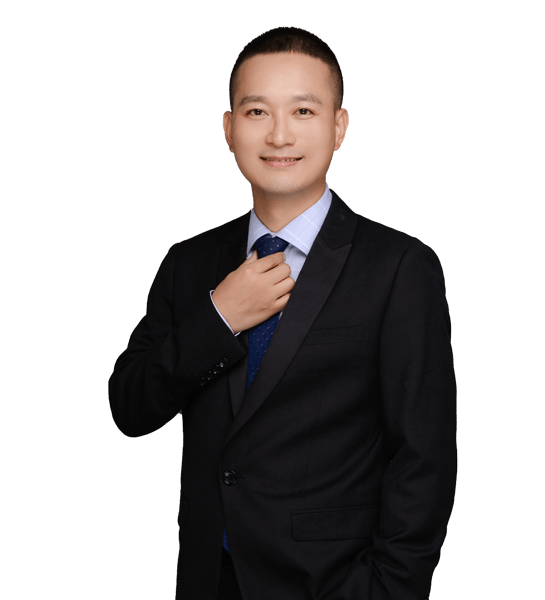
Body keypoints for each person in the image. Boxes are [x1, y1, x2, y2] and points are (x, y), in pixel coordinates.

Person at [109, 26, 456, 600]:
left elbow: (425, 455)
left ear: (339, 126)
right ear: (228, 129)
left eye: (302, 110)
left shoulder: (400, 267)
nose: (278, 135)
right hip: (208, 582)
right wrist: (218, 317)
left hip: (333, 584)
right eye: (256, 112)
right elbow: (131, 407)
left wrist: (388, 591)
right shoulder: (188, 263)